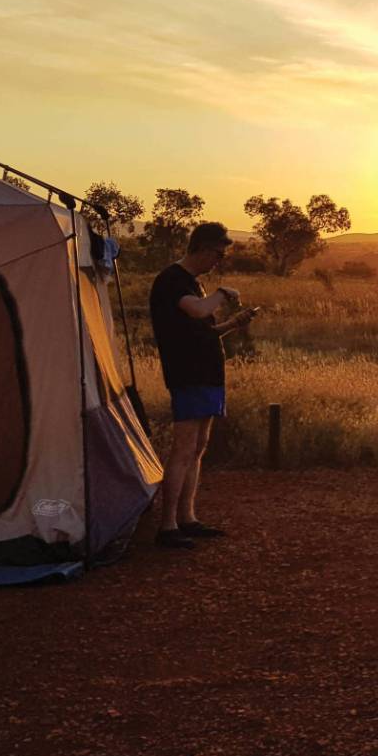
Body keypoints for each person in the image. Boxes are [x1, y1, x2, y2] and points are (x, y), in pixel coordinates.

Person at [148, 221, 257, 549]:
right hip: (188, 374)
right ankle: (167, 526)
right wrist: (222, 293)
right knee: (184, 448)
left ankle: (188, 518)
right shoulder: (173, 280)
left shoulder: (192, 284)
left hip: (206, 374)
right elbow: (196, 312)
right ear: (202, 248)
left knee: (197, 448)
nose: (219, 261)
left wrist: (233, 325)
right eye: (218, 254)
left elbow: (203, 330)